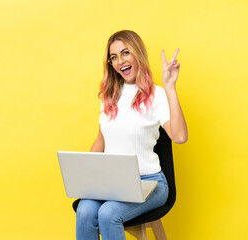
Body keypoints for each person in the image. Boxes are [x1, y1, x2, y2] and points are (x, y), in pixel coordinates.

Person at [75, 30, 188, 240]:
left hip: (150, 183)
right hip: (113, 183)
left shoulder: (157, 94)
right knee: (85, 210)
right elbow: (101, 141)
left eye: (126, 53)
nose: (120, 61)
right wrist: (86, 178)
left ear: (138, 54)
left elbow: (180, 136)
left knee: (108, 214)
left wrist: (171, 87)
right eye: (114, 57)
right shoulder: (109, 96)